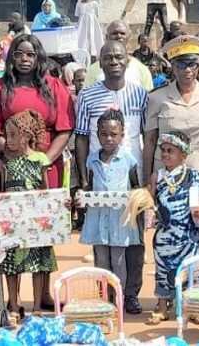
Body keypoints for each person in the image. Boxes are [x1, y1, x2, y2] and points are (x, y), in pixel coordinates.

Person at [0, 34, 75, 311]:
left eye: (30, 55)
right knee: (14, 231)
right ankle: (13, 300)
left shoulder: (54, 87)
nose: (24, 60)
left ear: (39, 58)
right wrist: (12, 154)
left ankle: (42, 294)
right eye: (19, 54)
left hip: (45, 165)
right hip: (9, 169)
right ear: (11, 57)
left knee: (43, 231)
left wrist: (44, 159)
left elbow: (65, 128)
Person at [144, 35, 199, 253]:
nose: (187, 70)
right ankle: (175, 284)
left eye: (192, 63)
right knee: (171, 231)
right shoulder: (157, 98)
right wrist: (147, 177)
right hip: (169, 173)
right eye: (181, 64)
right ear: (172, 66)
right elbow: (151, 139)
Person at [80, 108, 147, 315]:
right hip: (98, 219)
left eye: (113, 134)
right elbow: (89, 186)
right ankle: (104, 299)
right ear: (97, 134)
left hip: (120, 221)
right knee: (101, 260)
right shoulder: (92, 160)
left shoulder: (129, 160)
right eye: (103, 134)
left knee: (119, 260)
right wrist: (83, 196)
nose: (108, 139)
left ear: (122, 134)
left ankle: (121, 297)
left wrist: (137, 201)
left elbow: (135, 186)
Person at [0, 110, 57, 322]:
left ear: (28, 135)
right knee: (12, 264)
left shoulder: (40, 160)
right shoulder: (4, 162)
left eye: (14, 135)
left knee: (37, 263)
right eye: (7, 135)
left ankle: (37, 306)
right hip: (12, 221)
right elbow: (2, 191)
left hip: (35, 220)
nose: (9, 140)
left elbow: (46, 191)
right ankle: (14, 304)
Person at [145, 131, 199, 325]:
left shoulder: (195, 176)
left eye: (170, 151)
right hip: (165, 235)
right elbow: (150, 201)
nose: (165, 154)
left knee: (191, 271)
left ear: (183, 154)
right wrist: (150, 211)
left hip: (188, 235)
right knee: (163, 271)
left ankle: (192, 309)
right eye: (163, 150)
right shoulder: (157, 176)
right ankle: (163, 307)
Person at [76, 40, 148, 192]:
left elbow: (148, 137)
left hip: (135, 176)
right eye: (108, 58)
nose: (114, 62)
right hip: (99, 175)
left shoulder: (141, 94)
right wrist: (83, 179)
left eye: (119, 57)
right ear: (100, 63)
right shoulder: (86, 95)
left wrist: (148, 177)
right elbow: (82, 138)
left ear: (127, 61)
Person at [84, 21, 153, 91]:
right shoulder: (93, 70)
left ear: (129, 37)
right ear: (107, 37)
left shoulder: (142, 69)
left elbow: (149, 99)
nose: (119, 36)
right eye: (114, 33)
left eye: (122, 33)